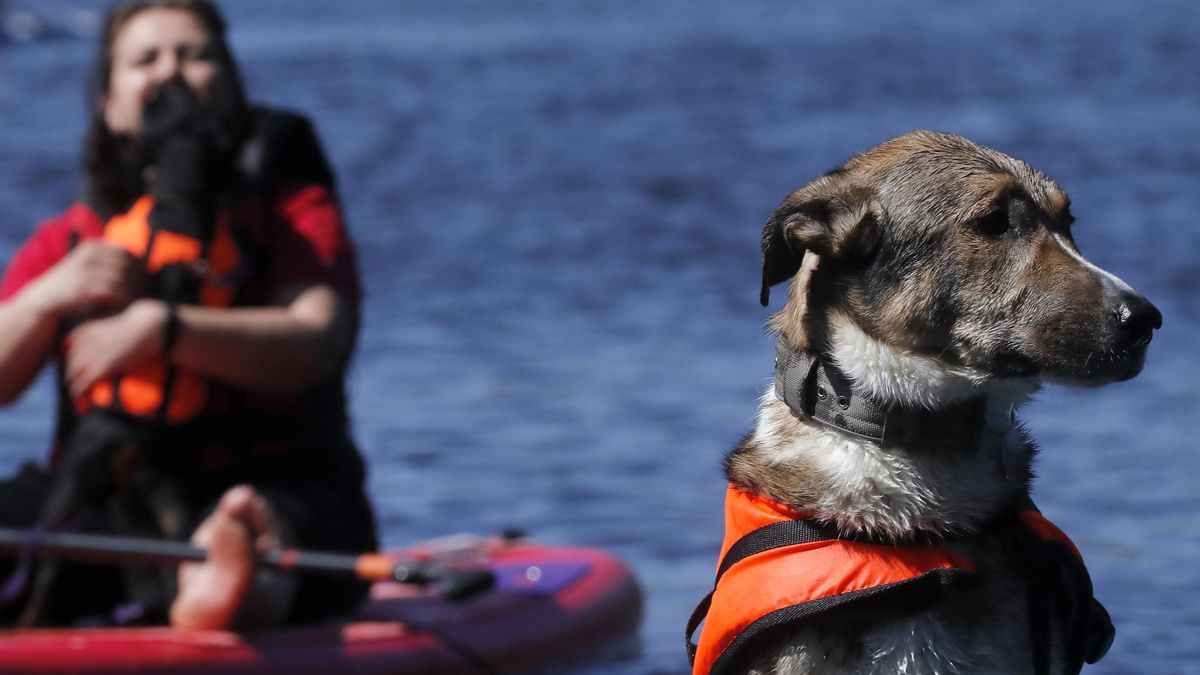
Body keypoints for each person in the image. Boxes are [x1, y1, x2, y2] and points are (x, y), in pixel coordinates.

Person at [0, 0, 376, 630]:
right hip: (105, 503)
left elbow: (316, 340)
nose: (171, 73)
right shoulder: (72, 242)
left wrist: (166, 330)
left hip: (271, 485)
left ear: (230, 84)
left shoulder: (292, 215)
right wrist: (44, 300)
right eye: (145, 59)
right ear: (110, 102)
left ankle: (230, 578)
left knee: (251, 522)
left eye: (195, 54)